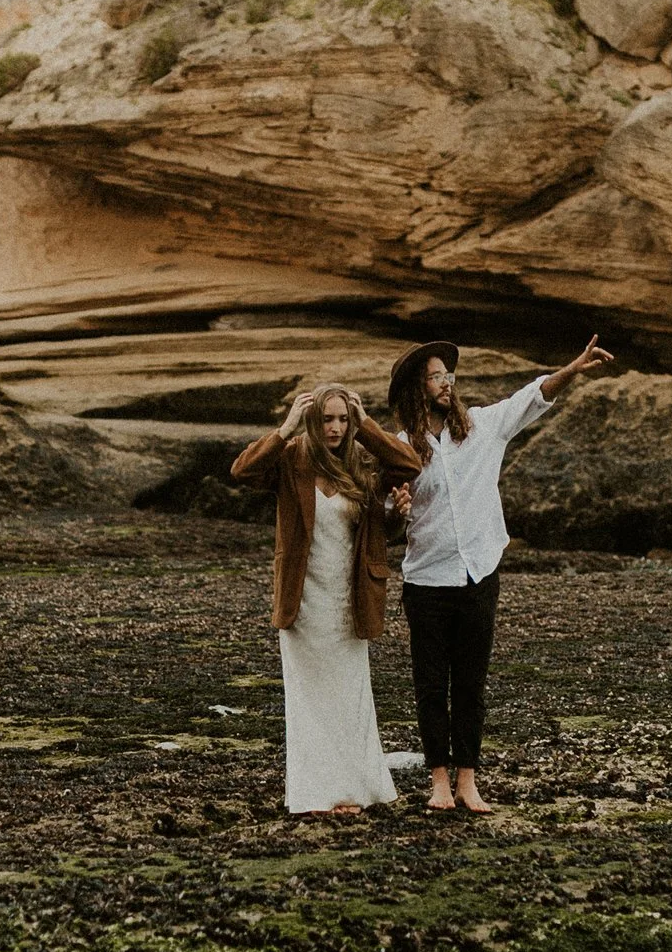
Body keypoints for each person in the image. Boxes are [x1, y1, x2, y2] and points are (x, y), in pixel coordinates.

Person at [387, 335, 617, 813]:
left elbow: (533, 397)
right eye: (434, 376)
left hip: (478, 575)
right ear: (416, 387)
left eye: (447, 374)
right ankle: (439, 784)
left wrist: (571, 368)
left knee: (470, 682)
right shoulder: (400, 449)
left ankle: (468, 780)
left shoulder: (483, 427)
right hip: (426, 581)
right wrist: (396, 504)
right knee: (431, 685)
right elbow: (385, 507)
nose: (445, 382)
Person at [230, 384, 424, 816]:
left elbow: (408, 463)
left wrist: (367, 426)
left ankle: (356, 788)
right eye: (326, 419)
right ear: (311, 420)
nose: (335, 428)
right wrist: (285, 429)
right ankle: (317, 794)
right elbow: (242, 471)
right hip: (302, 602)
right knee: (309, 700)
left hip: (348, 599)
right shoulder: (291, 458)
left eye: (342, 419)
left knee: (351, 696)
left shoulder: (361, 463)